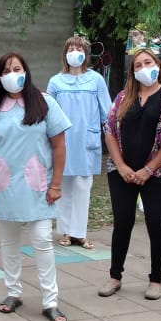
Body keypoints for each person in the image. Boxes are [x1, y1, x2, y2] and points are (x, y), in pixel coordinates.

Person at [0, 52, 71, 321]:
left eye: (16, 69)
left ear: (26, 71)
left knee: (42, 241)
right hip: (4, 186)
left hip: (38, 186)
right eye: (6, 71)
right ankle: (13, 292)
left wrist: (56, 184)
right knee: (9, 242)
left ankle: (50, 301)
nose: (12, 74)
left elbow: (59, 145)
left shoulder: (44, 102)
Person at [98, 48, 161, 301]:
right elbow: (109, 131)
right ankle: (115, 276)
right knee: (122, 222)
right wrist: (121, 166)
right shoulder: (123, 97)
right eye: (138, 65)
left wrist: (149, 169)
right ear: (132, 72)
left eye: (148, 62)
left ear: (158, 66)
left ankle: (156, 279)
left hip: (158, 173)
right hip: (122, 172)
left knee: (156, 223)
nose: (143, 68)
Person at [46, 36, 111, 250]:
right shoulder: (56, 81)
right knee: (63, 185)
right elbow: (49, 112)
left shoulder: (96, 80)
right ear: (65, 54)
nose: (75, 52)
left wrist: (111, 136)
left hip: (86, 141)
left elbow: (107, 112)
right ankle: (66, 231)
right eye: (71, 49)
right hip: (63, 141)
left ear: (86, 54)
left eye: (79, 49)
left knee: (83, 187)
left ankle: (80, 233)